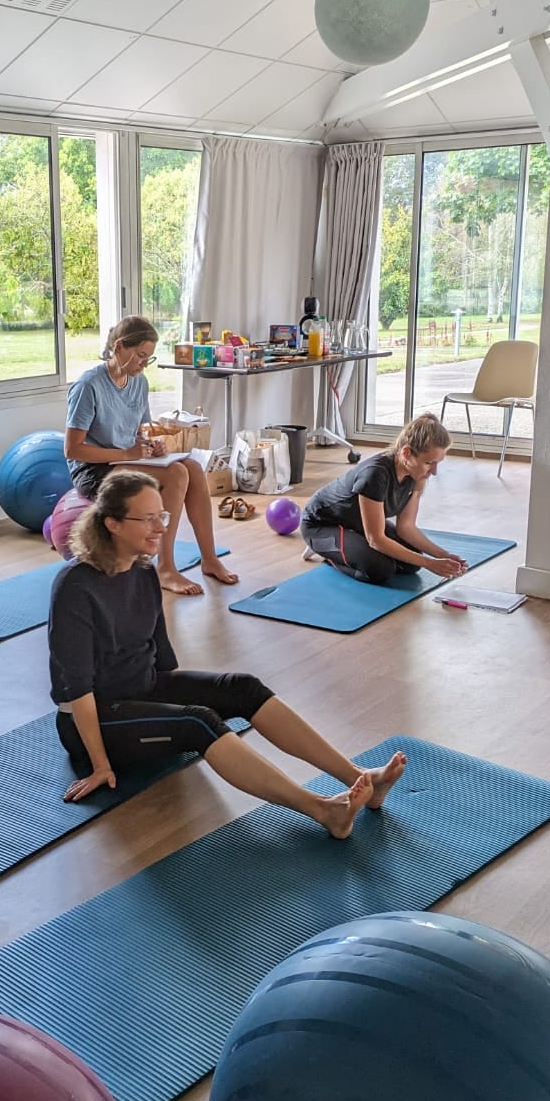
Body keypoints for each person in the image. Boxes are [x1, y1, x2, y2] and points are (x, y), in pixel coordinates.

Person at [47, 470, 405, 833]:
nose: (160, 527)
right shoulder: (75, 587)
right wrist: (100, 763)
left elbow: (163, 663)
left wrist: (172, 709)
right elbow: (78, 689)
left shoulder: (142, 572)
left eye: (163, 516)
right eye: (149, 518)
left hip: (140, 688)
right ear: (113, 524)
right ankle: (323, 811)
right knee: (197, 721)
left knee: (242, 687)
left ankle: (361, 778)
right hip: (90, 720)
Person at [65, 314, 237, 595]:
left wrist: (149, 444)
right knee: (177, 473)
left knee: (192, 467)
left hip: (126, 460)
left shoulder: (138, 383)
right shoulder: (88, 386)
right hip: (94, 469)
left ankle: (209, 559)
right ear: (119, 346)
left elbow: (135, 433)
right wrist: (125, 453)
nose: (144, 364)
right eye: (141, 356)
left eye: (149, 358)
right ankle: (166, 569)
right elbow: (73, 449)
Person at [300, 413, 469, 585]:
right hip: (321, 525)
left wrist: (444, 556)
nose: (434, 471)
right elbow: (376, 539)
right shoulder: (375, 475)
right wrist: (430, 564)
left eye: (437, 463)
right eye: (429, 463)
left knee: (411, 564)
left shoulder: (416, 476)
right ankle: (327, 554)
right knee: (380, 569)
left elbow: (406, 527)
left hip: (357, 525)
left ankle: (349, 547)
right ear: (407, 453)